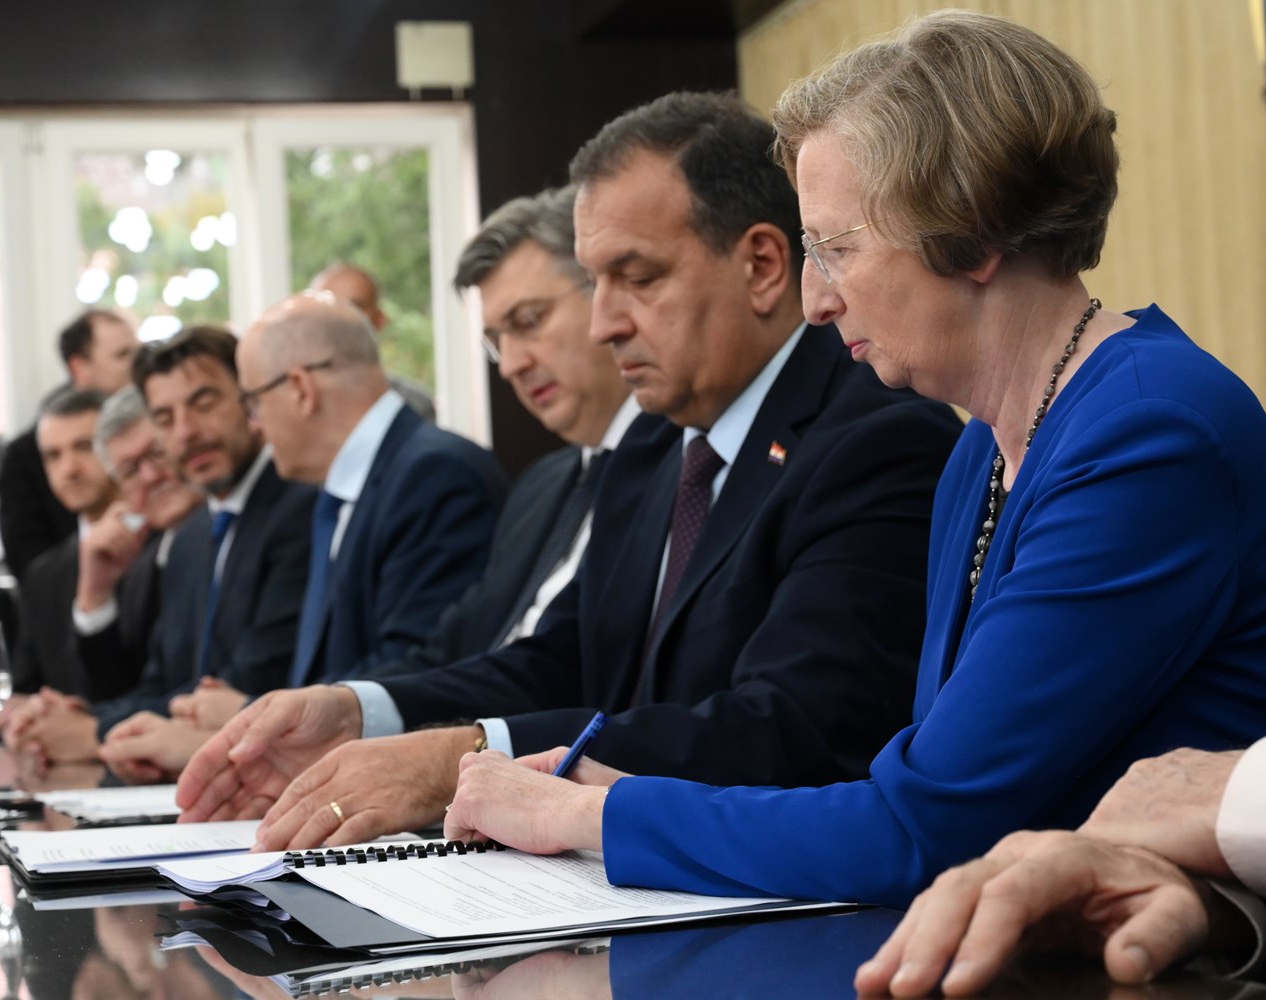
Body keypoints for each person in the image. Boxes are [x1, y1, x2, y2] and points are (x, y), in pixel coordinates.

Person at [437, 12, 1266, 911]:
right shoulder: (981, 445)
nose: (814, 301)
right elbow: (914, 791)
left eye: (836, 250)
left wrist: (593, 814)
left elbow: (922, 826)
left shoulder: (1149, 436)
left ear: (974, 228)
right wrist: (615, 794)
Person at [175, 92, 963, 852]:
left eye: (637, 277)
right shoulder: (653, 448)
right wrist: (360, 711)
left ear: (760, 264)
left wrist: (459, 762)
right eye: (594, 283)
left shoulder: (877, 437)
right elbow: (560, 658)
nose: (603, 323)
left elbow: (793, 730)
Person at [865, 559, 1266, 997]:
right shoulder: (974, 460)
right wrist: (1221, 898)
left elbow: (933, 821)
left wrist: (1253, 795)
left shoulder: (1147, 433)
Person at [358, 184, 638, 679]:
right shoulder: (536, 487)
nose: (510, 365)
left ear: (605, 295)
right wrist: (347, 704)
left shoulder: (689, 465)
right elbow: (452, 650)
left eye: (529, 321)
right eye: (495, 342)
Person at [13, 327, 317, 776]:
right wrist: (76, 720)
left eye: (204, 403)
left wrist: (95, 730)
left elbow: (252, 683)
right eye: (166, 418)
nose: (187, 432)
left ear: (249, 399)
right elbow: (164, 686)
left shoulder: (301, 506)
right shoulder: (191, 539)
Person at [235, 292, 507, 689]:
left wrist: (265, 716)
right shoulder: (346, 491)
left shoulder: (433, 476)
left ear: (300, 389)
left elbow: (421, 668)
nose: (254, 426)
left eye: (253, 403)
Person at [72, 385, 206, 702]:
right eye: (130, 470)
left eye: (157, 453)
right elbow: (122, 695)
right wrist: (96, 594)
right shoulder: (138, 570)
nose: (150, 476)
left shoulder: (248, 534)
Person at [0, 310, 138, 580]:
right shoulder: (23, 458)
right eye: (122, 355)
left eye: (84, 447)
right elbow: (31, 572)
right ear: (80, 368)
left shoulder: (152, 428)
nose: (137, 365)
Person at [9, 388, 118, 696]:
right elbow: (25, 688)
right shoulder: (42, 574)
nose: (69, 469)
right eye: (53, 456)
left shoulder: (165, 546)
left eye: (84, 447)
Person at [308, 262, 436, 422]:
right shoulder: (284, 402)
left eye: (354, 308)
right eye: (326, 308)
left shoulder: (414, 407)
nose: (339, 319)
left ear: (379, 320)